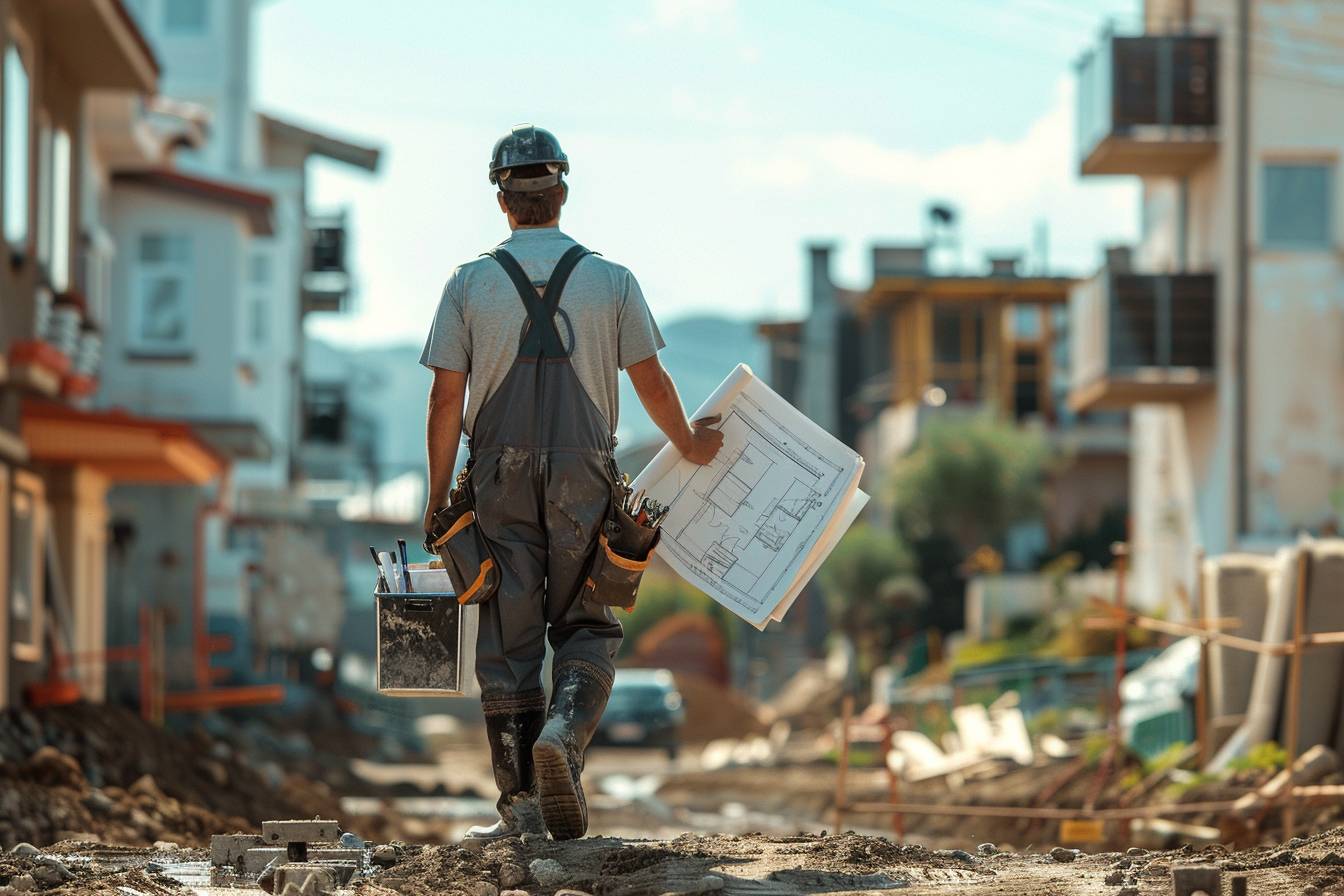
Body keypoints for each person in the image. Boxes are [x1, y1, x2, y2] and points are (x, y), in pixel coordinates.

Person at [420, 124, 724, 844]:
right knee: (589, 621)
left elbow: (443, 402)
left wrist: (437, 500)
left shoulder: (468, 284)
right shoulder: (611, 282)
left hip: (495, 474)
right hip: (586, 474)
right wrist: (689, 442)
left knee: (508, 636)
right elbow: (650, 379)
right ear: (562, 192)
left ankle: (520, 807)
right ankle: (563, 735)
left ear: (502, 200)